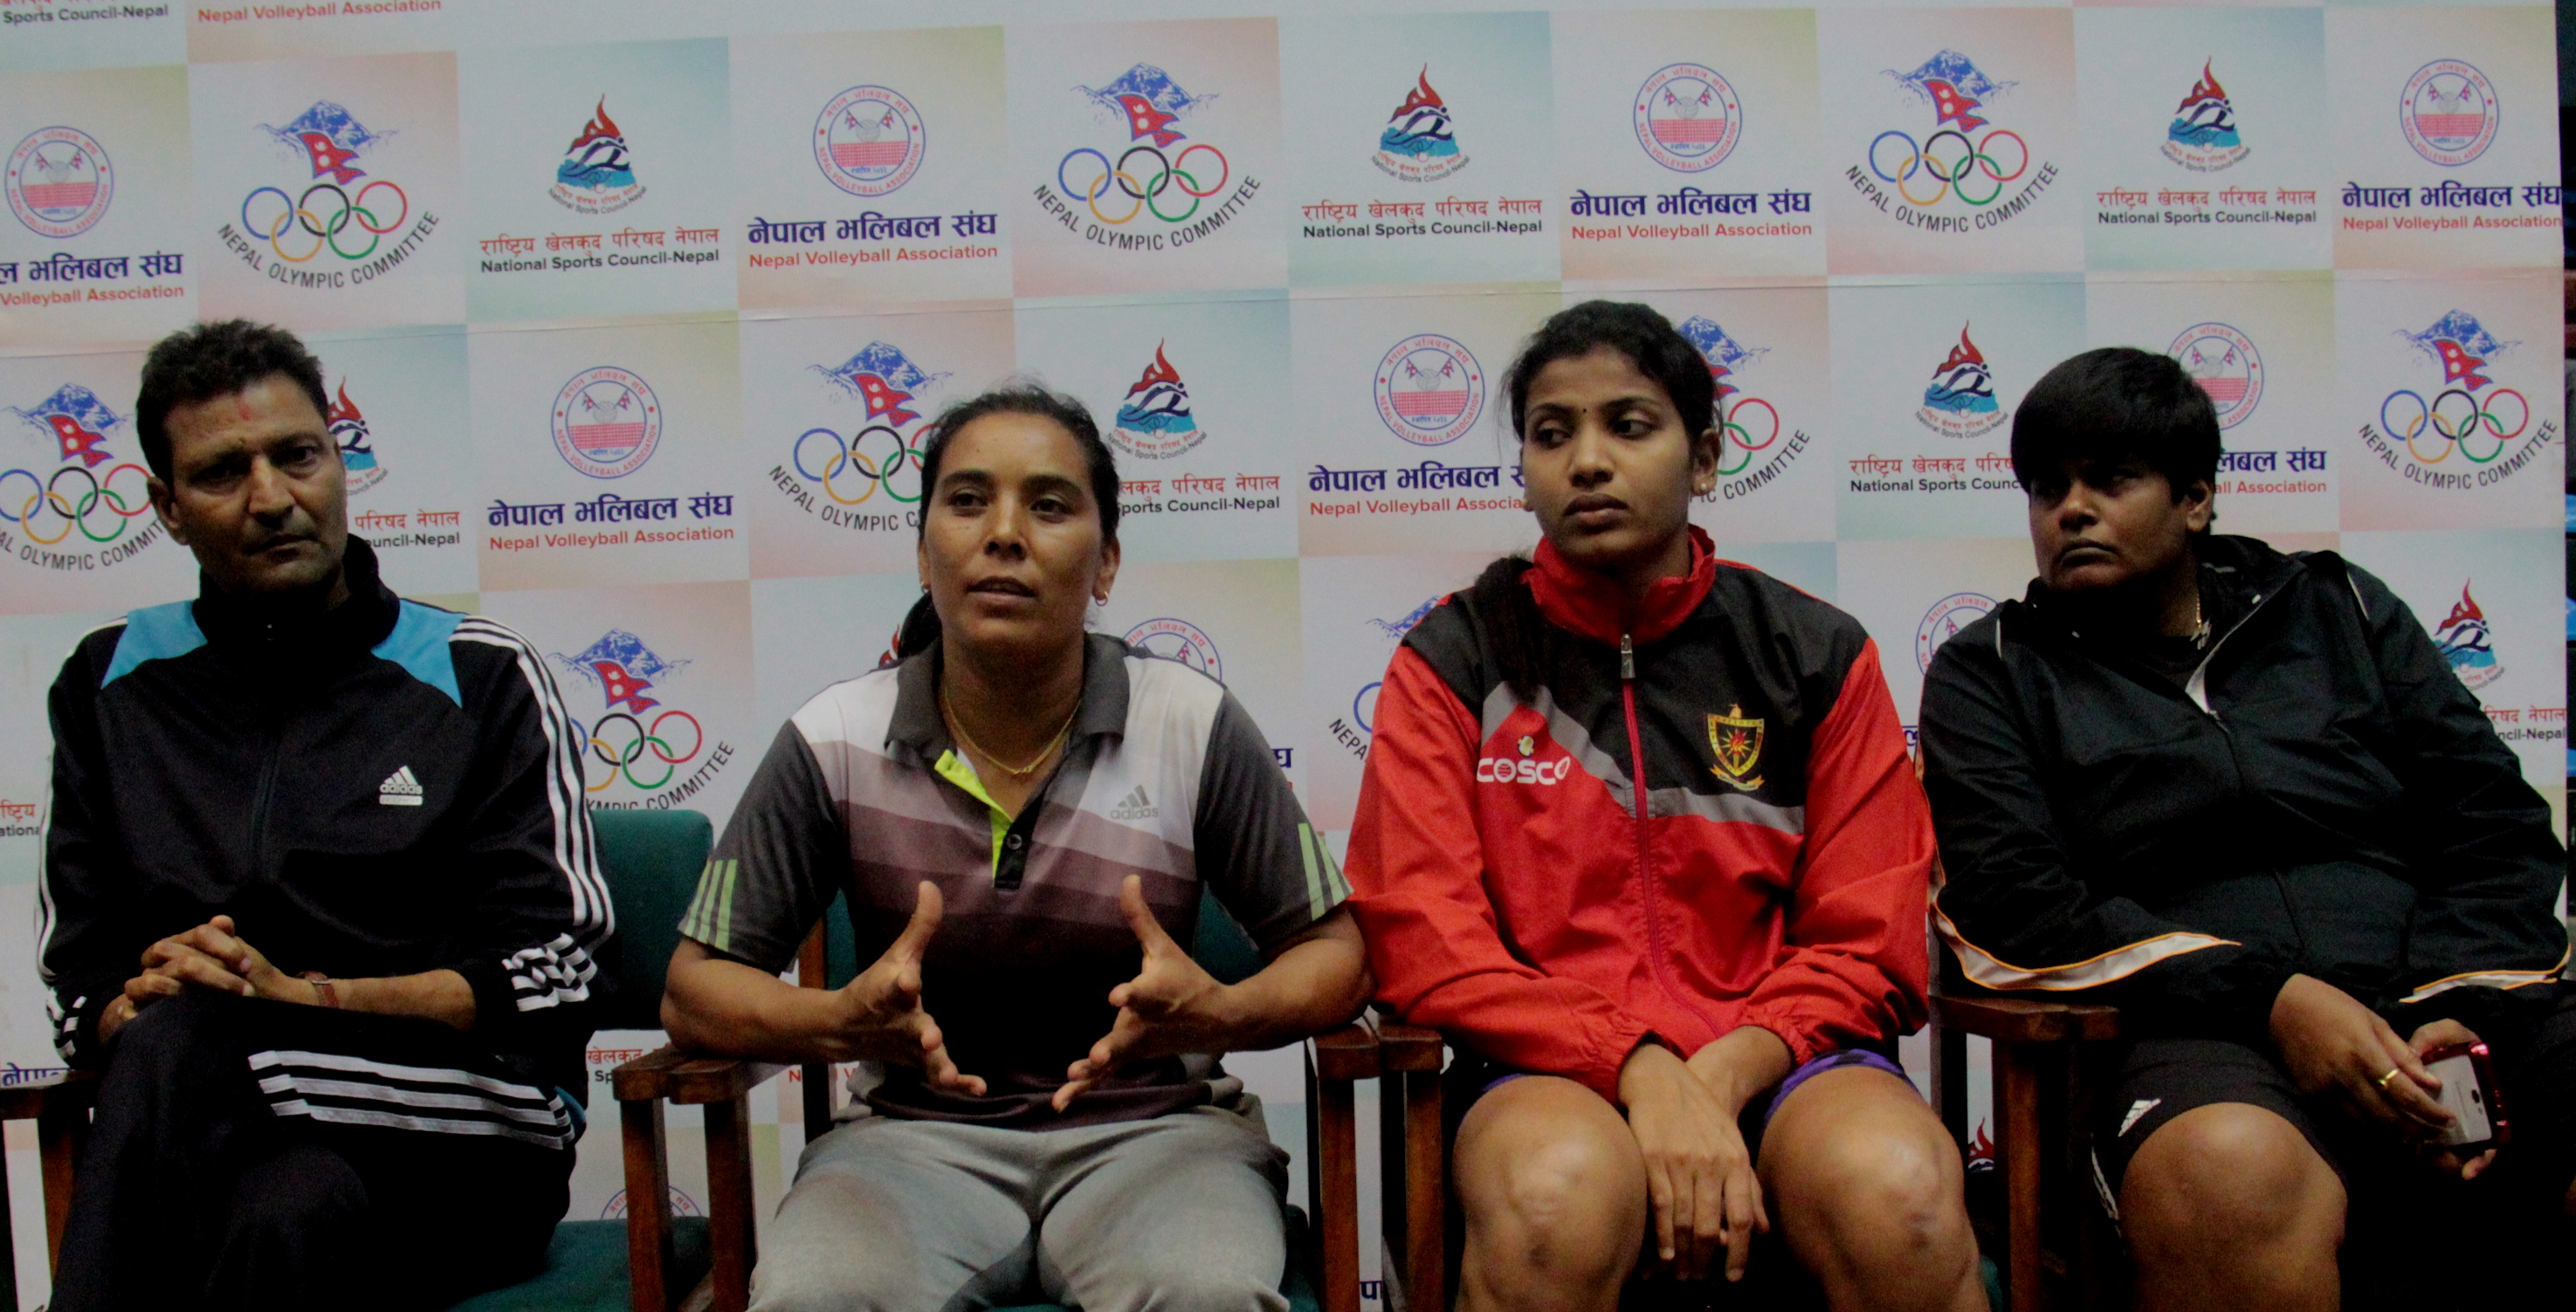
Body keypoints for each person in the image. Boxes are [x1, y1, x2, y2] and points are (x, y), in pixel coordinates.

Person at [659, 383, 1370, 1312]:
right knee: (814, 1299)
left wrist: (1221, 1013)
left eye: (1049, 505)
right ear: (923, 551)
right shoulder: (833, 738)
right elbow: (694, 988)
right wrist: (838, 1022)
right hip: (909, 1146)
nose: (1004, 534)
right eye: (966, 501)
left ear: (1106, 562)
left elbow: (1336, 954)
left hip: (1157, 1138)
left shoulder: (1189, 723)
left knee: (1206, 1294)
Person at [1346, 301, 1985, 1312]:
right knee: (1554, 1199)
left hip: (1785, 1058)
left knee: (1896, 1193)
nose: (1587, 461)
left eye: (1628, 425)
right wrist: (1635, 1066)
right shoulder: (1454, 661)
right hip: (1542, 1068)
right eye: (1551, 434)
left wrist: (1719, 1075)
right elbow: (1427, 942)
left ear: (1706, 458)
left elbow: (1868, 942)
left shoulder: (1814, 653)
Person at [1919, 347, 2573, 1312]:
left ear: (2194, 499)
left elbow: (2496, 824)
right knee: (2231, 1169)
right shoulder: (1994, 670)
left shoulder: (2340, 609)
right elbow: (2014, 905)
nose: (2070, 511)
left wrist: (2452, 1002)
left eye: (2109, 480)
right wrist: (2274, 999)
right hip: (2189, 1033)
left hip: (2437, 1001)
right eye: (2047, 489)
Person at [40, 320, 611, 1310]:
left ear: (340, 462)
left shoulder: (479, 675)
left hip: (471, 1127)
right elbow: (80, 986)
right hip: (232, 1136)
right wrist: (131, 1002)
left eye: (298, 455)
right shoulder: (110, 682)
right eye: (223, 473)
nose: (272, 498)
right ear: (166, 509)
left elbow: (560, 973)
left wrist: (304, 999)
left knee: (183, 1044)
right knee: (287, 1210)